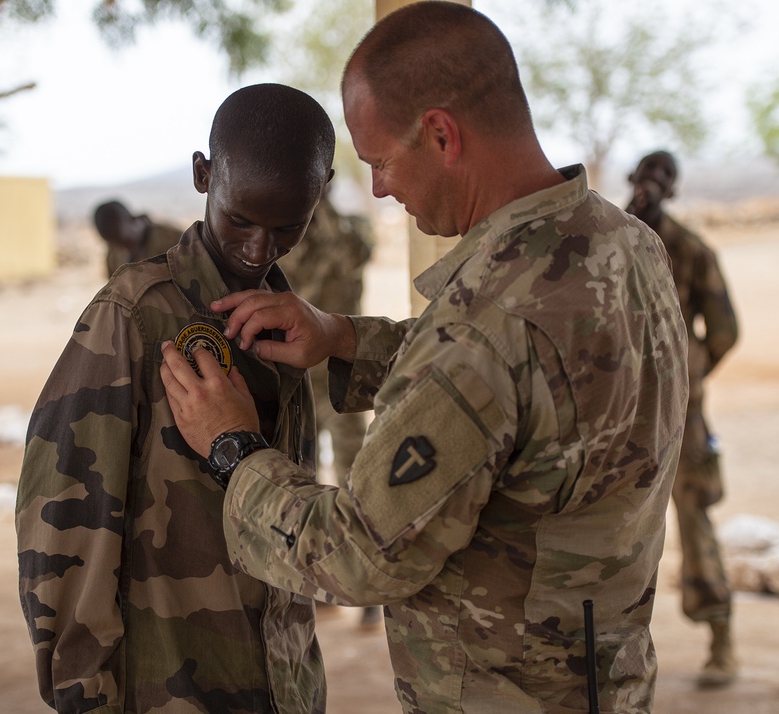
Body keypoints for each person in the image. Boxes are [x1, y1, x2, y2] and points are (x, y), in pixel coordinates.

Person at [158, 4, 689, 712]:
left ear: (442, 134)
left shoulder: (487, 322)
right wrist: (345, 338)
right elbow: (539, 385)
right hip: (607, 680)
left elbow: (357, 556)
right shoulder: (621, 245)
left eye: (380, 161)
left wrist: (233, 449)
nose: (379, 188)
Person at [16, 83, 335, 714]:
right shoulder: (135, 315)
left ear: (318, 198)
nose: (256, 250)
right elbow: (61, 521)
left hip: (281, 681)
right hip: (168, 687)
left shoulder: (284, 315)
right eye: (239, 219)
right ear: (202, 175)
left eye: (285, 228)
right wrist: (82, 692)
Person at [626, 150, 740, 687]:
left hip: (664, 410)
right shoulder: (619, 238)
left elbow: (723, 331)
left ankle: (721, 638)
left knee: (691, 520)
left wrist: (688, 374)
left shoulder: (685, 249)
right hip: (630, 406)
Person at [277, 186, 379, 629]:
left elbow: (354, 253)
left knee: (355, 476)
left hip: (345, 377)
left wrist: (325, 209)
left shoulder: (349, 231)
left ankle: (370, 587)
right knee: (303, 474)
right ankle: (318, 577)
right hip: (301, 377)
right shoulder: (287, 238)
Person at [93, 199, 181, 278]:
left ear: (132, 220)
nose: (119, 247)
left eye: (123, 241)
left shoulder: (173, 240)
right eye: (111, 242)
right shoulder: (113, 253)